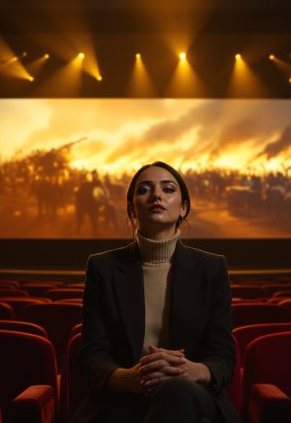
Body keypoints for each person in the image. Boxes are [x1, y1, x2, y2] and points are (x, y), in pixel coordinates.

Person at [71, 161, 240, 423]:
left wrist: (192, 370)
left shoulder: (212, 268)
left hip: (194, 393)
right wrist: (129, 377)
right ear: (131, 209)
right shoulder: (102, 267)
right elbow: (93, 354)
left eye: (168, 189)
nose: (156, 196)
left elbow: (223, 356)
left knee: (176, 391)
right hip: (125, 396)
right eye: (145, 190)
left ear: (183, 207)